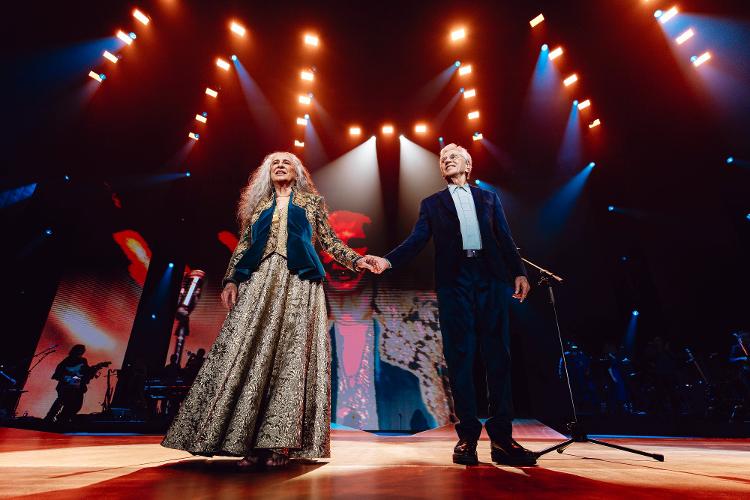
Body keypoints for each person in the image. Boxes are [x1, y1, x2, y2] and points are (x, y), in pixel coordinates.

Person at [161, 152, 375, 468]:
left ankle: (279, 445)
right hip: (260, 281)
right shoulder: (259, 208)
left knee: (290, 359)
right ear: (266, 173)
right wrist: (232, 279)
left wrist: (357, 260)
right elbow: (244, 247)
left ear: (298, 172)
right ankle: (248, 442)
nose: (279, 165)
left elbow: (329, 242)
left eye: (286, 162)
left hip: (300, 283)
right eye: (274, 163)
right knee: (250, 353)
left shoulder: (311, 204)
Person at [368, 143, 536, 466]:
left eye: (453, 156)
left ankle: (502, 440)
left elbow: (504, 236)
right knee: (460, 359)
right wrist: (387, 262)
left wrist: (519, 272)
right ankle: (468, 438)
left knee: (498, 357)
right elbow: (416, 240)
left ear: (468, 166)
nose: (446, 160)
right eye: (443, 159)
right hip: (454, 283)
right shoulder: (432, 204)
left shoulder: (488, 198)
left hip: (489, 279)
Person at [44, 344, 110, 424]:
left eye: (82, 350)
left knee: (75, 406)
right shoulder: (67, 360)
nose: (82, 352)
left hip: (76, 388)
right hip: (66, 388)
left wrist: (99, 366)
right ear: (75, 350)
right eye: (80, 350)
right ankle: (51, 419)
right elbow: (58, 374)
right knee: (62, 402)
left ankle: (62, 420)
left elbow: (86, 372)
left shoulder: (83, 360)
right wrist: (72, 380)